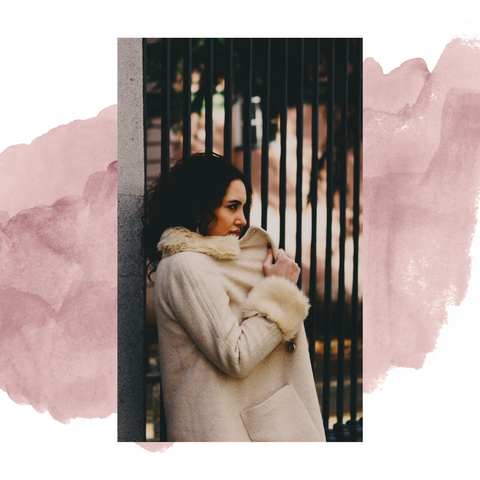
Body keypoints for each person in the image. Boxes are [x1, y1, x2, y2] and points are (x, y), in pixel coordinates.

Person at [141, 152, 326, 442]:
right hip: (227, 432)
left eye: (244, 207)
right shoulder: (185, 266)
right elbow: (235, 355)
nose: (242, 220)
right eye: (232, 207)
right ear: (197, 208)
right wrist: (279, 292)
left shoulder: (215, 263)